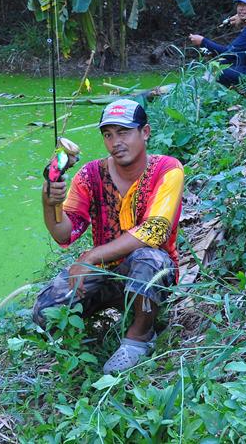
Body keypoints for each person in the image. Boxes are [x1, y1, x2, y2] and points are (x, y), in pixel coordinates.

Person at [35, 99, 184, 374]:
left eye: (124, 132)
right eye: (108, 134)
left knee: (149, 258)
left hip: (151, 275)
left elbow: (155, 230)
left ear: (145, 132)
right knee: (44, 310)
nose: (116, 142)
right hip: (106, 272)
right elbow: (65, 234)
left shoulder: (168, 169)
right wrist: (49, 203)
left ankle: (140, 336)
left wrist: (92, 255)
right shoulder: (90, 175)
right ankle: (87, 337)